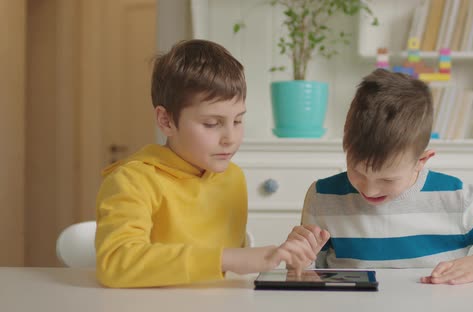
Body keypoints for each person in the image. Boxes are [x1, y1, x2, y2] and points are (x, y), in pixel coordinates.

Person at [286, 69, 473, 285]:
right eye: (356, 171)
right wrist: (298, 263)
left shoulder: (457, 199)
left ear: (422, 160)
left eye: (388, 179)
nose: (368, 189)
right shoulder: (322, 197)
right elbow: (311, 276)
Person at [95, 39, 314, 288]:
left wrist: (287, 259)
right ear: (166, 121)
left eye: (238, 121)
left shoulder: (233, 178)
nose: (230, 138)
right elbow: (115, 263)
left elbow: (229, 275)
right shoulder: (132, 181)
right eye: (212, 124)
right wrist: (227, 258)